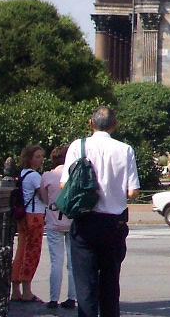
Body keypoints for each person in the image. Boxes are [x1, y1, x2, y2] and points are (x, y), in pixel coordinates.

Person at [63, 105, 140, 317]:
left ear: (90, 123)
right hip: (113, 223)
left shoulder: (77, 146)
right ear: (114, 125)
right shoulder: (125, 150)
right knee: (110, 283)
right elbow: (133, 191)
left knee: (85, 285)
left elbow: (64, 185)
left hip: (85, 220)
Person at [41, 145, 77, 309]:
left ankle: (53, 298)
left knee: (56, 261)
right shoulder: (73, 176)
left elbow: (44, 199)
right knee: (72, 262)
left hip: (54, 221)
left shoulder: (47, 176)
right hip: (72, 221)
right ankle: (72, 297)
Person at [11, 144, 47, 303]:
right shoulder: (35, 176)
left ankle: (16, 290)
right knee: (32, 253)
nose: (41, 160)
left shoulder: (22, 174)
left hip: (23, 216)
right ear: (30, 159)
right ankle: (27, 291)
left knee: (21, 251)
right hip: (35, 215)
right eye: (37, 156)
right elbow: (44, 197)